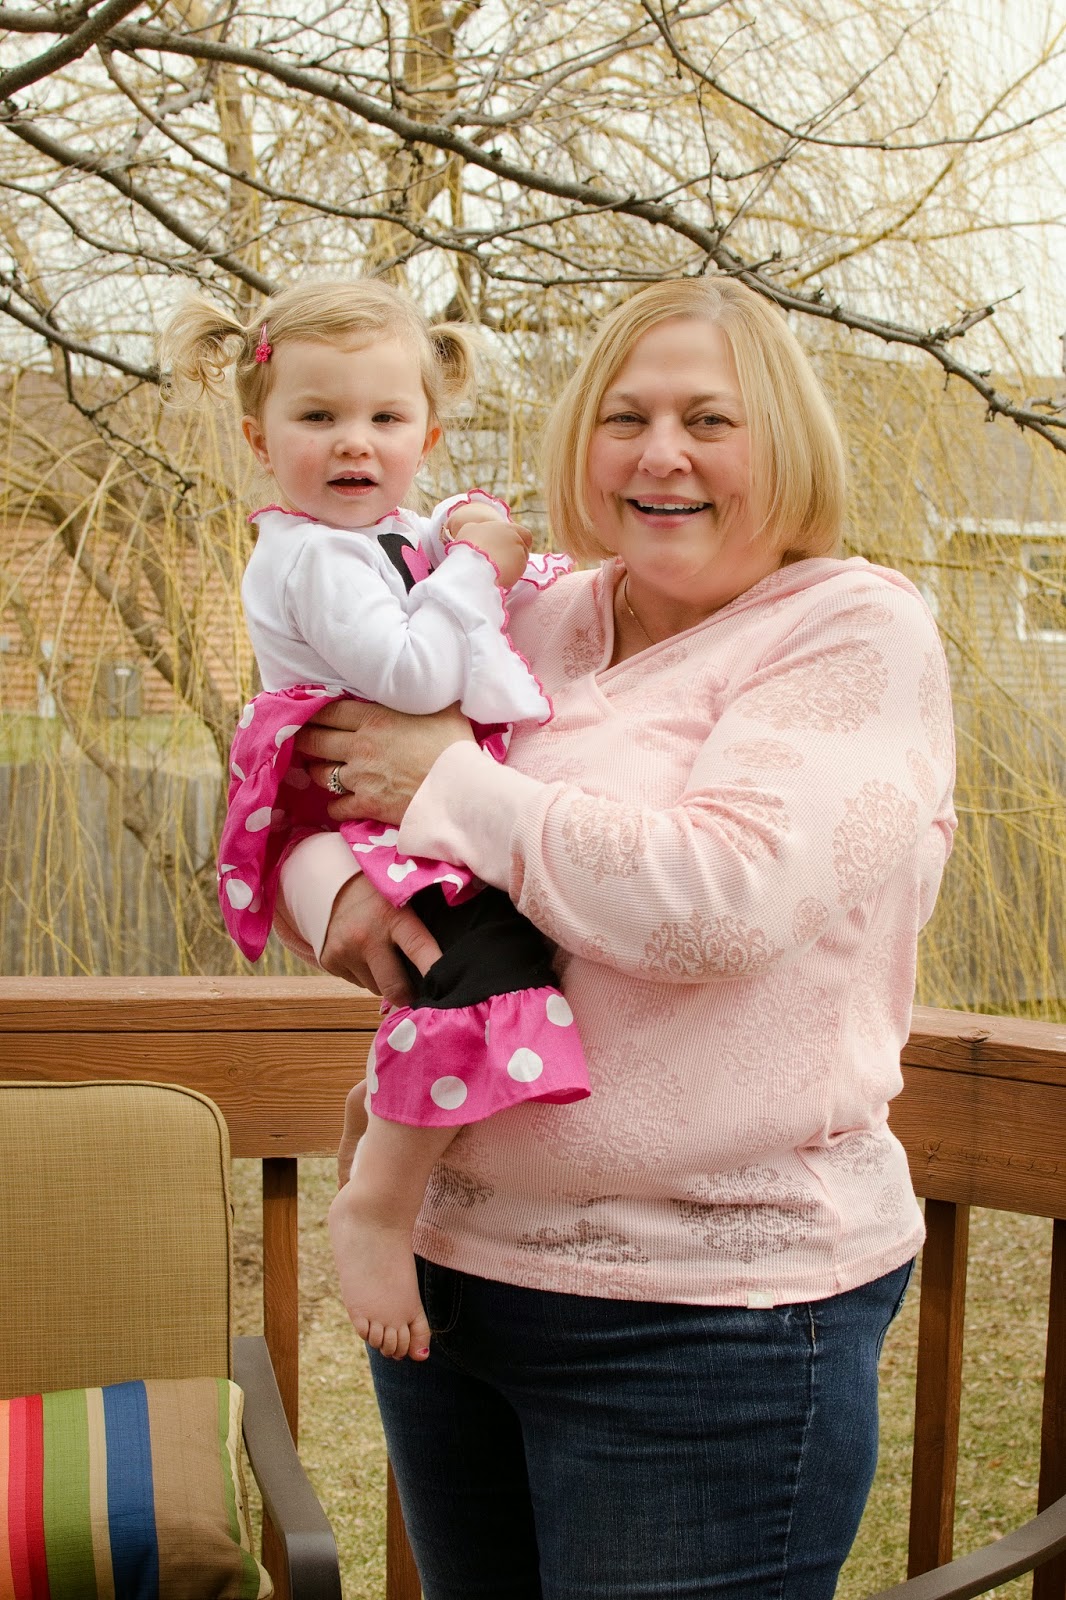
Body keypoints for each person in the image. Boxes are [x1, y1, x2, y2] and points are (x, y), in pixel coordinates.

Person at [278, 275, 957, 1599]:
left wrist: (443, 782)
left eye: (709, 419)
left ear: (784, 443)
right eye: (625, 418)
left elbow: (720, 901)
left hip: (705, 1320)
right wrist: (333, 900)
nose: (661, 454)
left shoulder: (851, 632)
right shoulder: (526, 614)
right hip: (447, 1274)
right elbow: (315, 775)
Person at [161, 279, 590, 1363]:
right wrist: (477, 565)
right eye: (319, 416)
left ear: (425, 437)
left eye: (385, 417)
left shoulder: (383, 531)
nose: (355, 441)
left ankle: (379, 1121)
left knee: (469, 967)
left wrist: (460, 528)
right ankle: (377, 1206)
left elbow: (429, 542)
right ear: (260, 439)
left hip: (399, 808)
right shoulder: (308, 555)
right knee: (486, 975)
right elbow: (411, 673)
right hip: (354, 806)